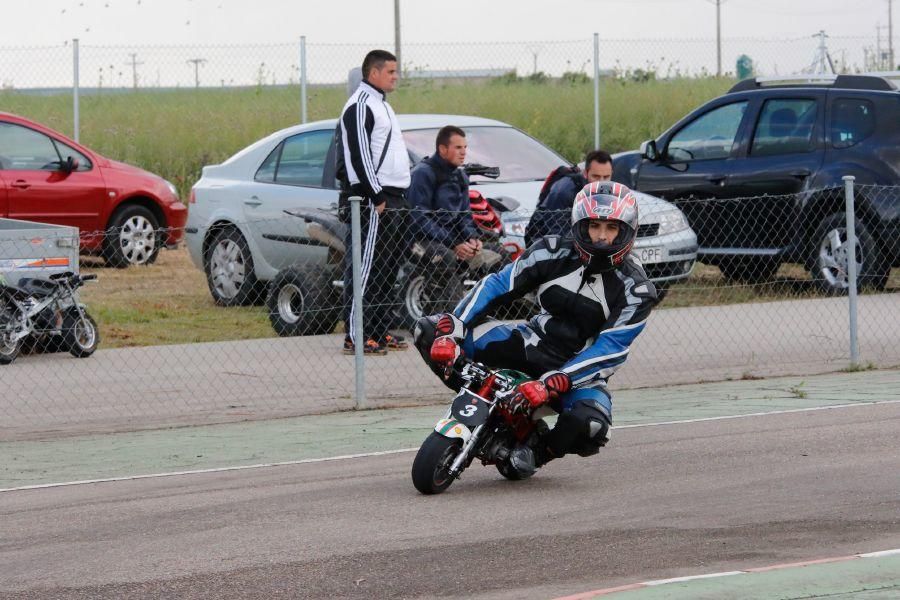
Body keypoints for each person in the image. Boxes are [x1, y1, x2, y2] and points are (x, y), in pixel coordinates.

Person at [414, 181, 657, 476]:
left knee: (591, 423)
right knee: (429, 330)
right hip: (528, 342)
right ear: (580, 225)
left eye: (611, 228)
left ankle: (536, 452)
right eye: (594, 226)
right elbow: (498, 285)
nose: (601, 237)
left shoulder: (637, 289)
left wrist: (556, 381)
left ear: (627, 231)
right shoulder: (550, 251)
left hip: (575, 372)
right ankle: (477, 397)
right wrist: (454, 327)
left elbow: (611, 349)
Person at [336, 49, 411, 355]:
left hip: (397, 196)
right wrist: (375, 195)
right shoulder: (360, 105)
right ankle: (356, 334)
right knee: (366, 269)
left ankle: (378, 330)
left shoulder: (383, 106)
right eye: (391, 72)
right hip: (375, 199)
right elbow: (359, 154)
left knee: (386, 268)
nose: (396, 77)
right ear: (374, 72)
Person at [407, 125, 500, 275]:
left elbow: (465, 215)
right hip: (418, 240)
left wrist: (472, 238)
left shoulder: (460, 176)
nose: (463, 152)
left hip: (449, 238)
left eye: (465, 147)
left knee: (500, 253)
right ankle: (450, 298)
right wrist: (454, 243)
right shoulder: (422, 173)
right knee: (447, 258)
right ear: (443, 149)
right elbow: (419, 219)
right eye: (458, 147)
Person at [524, 149, 614, 247]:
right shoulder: (564, 191)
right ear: (585, 173)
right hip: (544, 244)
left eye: (606, 177)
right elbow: (556, 233)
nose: (601, 182)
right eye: (596, 177)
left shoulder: (609, 191)